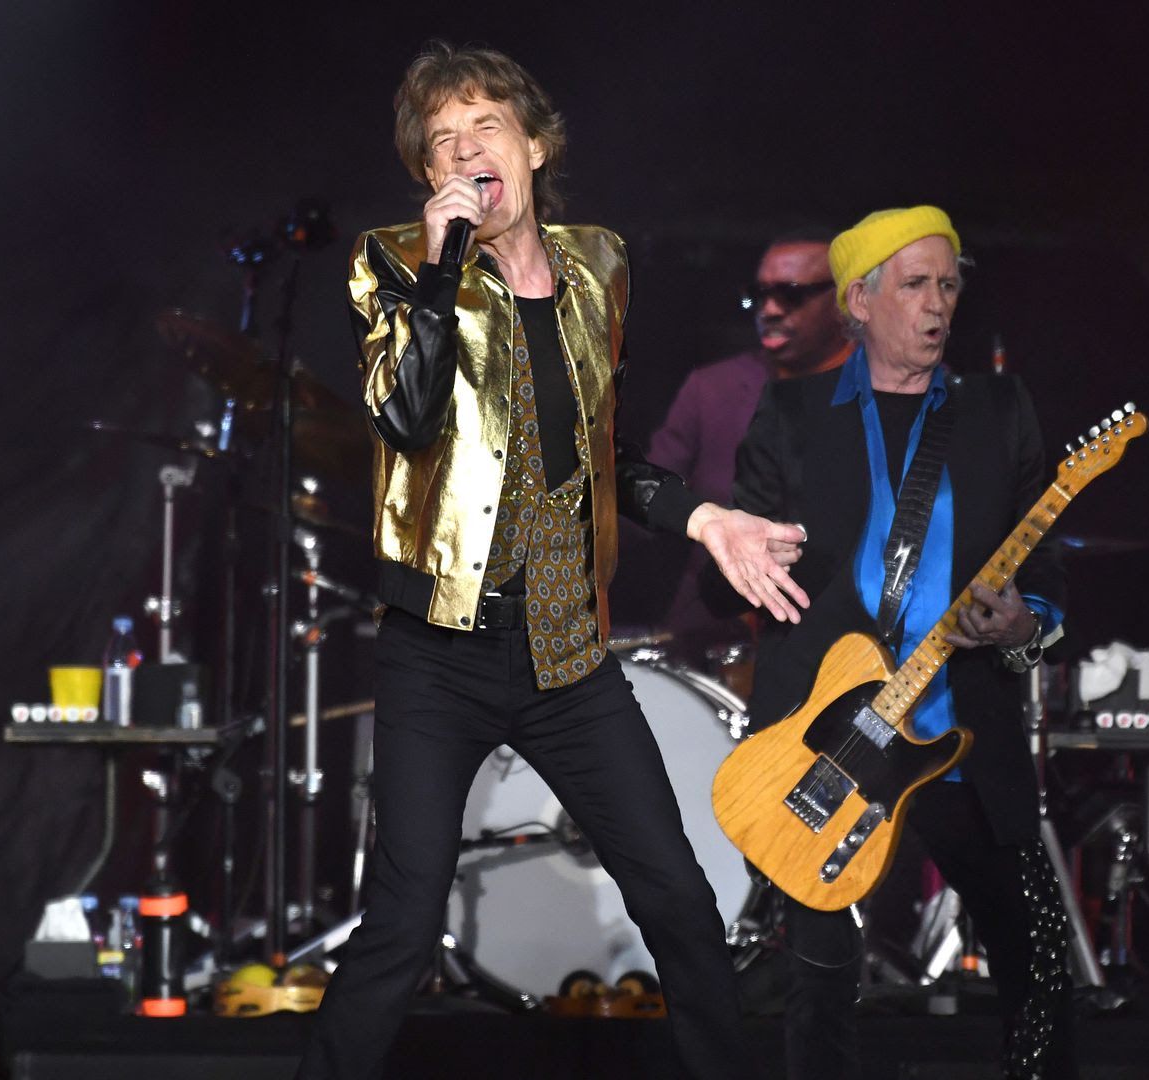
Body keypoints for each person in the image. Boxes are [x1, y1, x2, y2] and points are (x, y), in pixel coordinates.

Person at [299, 41, 807, 1080]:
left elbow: (599, 454)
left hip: (567, 651)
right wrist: (441, 273)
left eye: (483, 124)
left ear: (534, 144)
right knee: (400, 922)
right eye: (440, 140)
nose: (462, 149)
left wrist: (706, 519)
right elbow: (402, 414)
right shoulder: (394, 261)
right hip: (438, 651)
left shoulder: (599, 268)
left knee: (675, 894)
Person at [705, 206, 1077, 1079]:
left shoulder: (998, 407)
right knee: (821, 987)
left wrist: (1028, 623)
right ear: (859, 301)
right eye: (915, 284)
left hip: (959, 733)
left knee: (1043, 955)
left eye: (949, 284)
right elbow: (733, 577)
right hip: (828, 743)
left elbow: (1046, 558)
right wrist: (747, 559)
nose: (937, 302)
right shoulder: (793, 412)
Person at [647, 230, 851, 646]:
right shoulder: (713, 388)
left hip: (842, 630)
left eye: (792, 295)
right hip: (715, 631)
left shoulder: (880, 388)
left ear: (846, 299)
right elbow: (649, 492)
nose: (770, 310)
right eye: (760, 294)